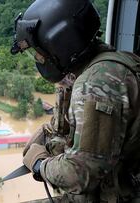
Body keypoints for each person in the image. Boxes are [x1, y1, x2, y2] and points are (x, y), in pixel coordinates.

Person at [11, 0, 140, 202]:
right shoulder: (118, 62)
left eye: (39, 53)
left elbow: (80, 174)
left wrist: (39, 165)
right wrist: (47, 135)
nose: (38, 59)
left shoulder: (94, 84)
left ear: (60, 45)